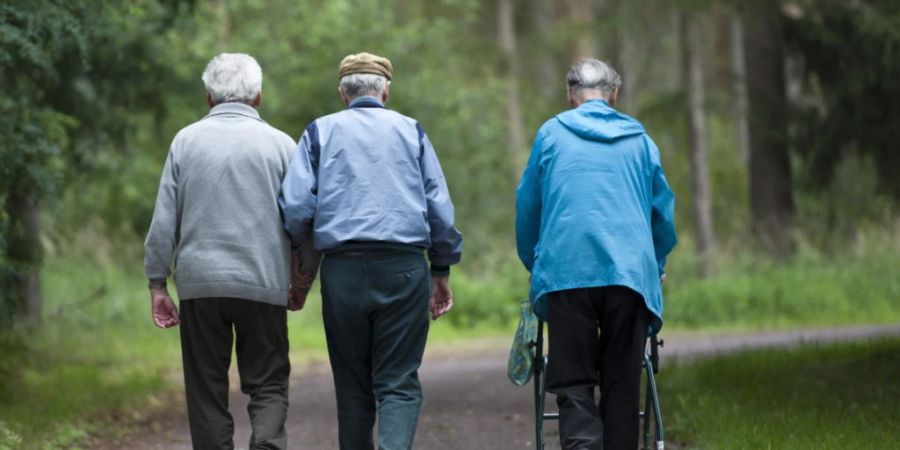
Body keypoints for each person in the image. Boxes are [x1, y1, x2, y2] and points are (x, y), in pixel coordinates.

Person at [280, 52, 463, 450]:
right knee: (398, 382)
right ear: (386, 90)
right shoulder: (411, 131)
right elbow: (439, 208)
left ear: (342, 94)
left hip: (343, 270)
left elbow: (295, 206)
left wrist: (300, 255)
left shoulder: (319, 132)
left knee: (352, 386)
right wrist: (442, 267)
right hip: (404, 268)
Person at [144, 53, 313, 450]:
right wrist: (301, 278)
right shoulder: (282, 145)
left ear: (208, 97)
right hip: (263, 283)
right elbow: (303, 222)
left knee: (206, 388)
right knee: (269, 381)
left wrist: (157, 283)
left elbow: (164, 220)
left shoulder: (186, 141)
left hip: (200, 286)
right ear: (258, 97)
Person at [515, 58, 677, 450]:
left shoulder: (551, 135)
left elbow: (528, 207)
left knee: (573, 378)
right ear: (614, 95)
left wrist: (536, 263)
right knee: (623, 379)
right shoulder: (640, 140)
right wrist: (655, 266)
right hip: (630, 274)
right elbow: (662, 214)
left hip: (567, 269)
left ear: (570, 95)